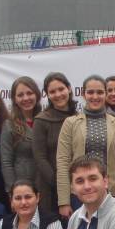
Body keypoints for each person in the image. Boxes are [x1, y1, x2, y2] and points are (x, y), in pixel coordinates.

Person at [56, 75, 115, 214]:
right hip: (79, 195)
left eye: (100, 92)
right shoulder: (70, 123)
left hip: (112, 194)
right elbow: (62, 163)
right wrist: (64, 202)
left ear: (106, 94)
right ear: (83, 94)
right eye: (90, 92)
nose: (95, 96)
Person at [32, 72, 78, 214]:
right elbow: (40, 157)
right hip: (49, 187)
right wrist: (60, 183)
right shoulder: (41, 120)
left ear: (69, 89)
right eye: (52, 92)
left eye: (61, 89)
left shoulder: (78, 118)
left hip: (77, 186)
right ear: (47, 95)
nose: (58, 94)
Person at [1, 76, 42, 193]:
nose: (26, 98)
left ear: (37, 94)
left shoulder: (46, 119)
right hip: (22, 186)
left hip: (45, 184)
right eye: (20, 95)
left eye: (29, 93)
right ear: (14, 99)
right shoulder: (9, 125)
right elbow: (6, 162)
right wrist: (12, 191)